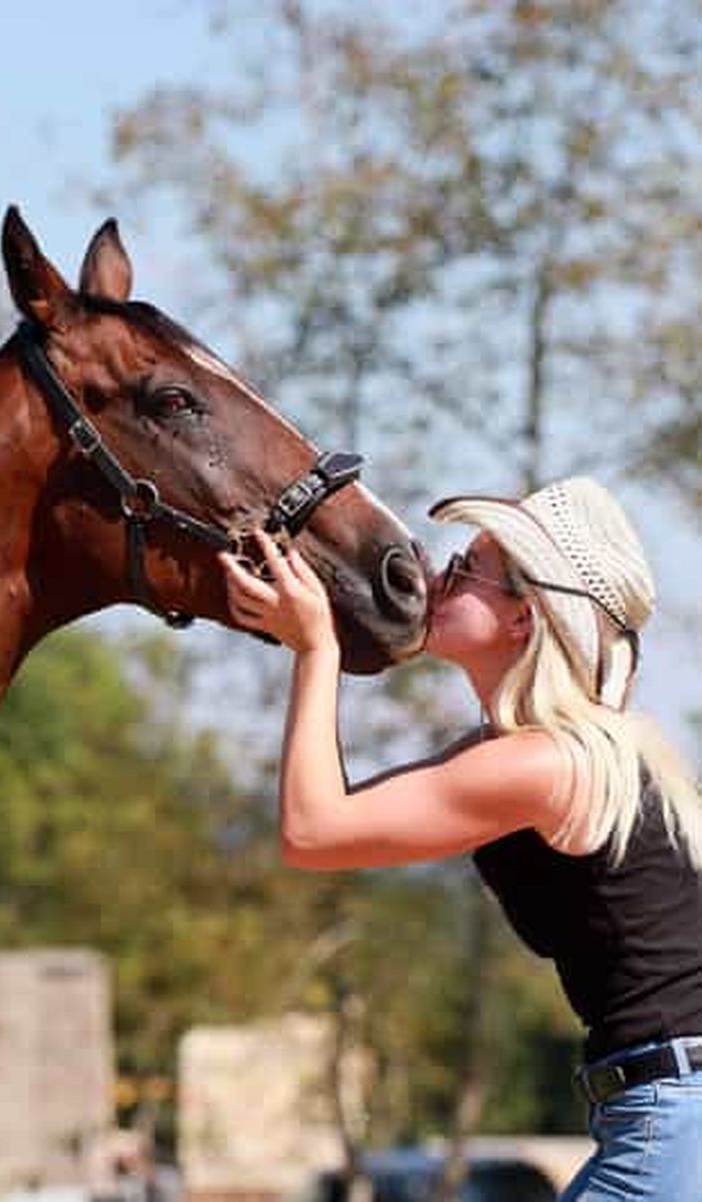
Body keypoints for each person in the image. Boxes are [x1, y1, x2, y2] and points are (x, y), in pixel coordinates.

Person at [220, 475, 702, 1201]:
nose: (438, 573)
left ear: (523, 618)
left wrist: (315, 650)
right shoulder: (541, 752)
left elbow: (313, 831)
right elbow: (340, 815)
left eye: (467, 567)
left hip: (674, 1116)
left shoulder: (541, 765)